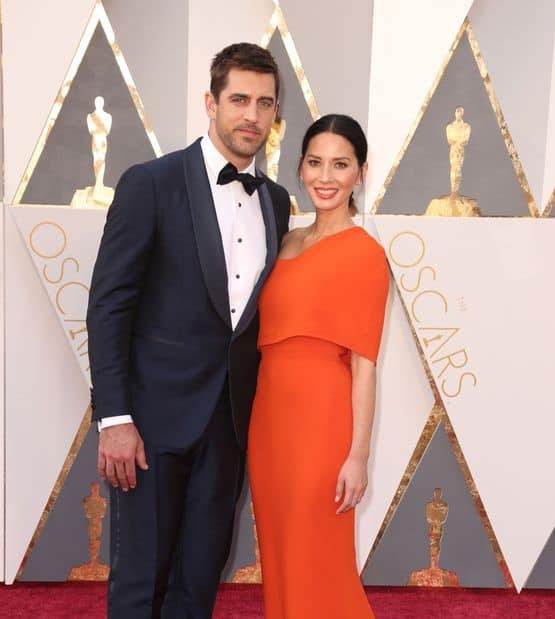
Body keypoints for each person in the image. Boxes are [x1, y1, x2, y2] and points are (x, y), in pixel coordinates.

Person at [86, 43, 290, 619]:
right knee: (139, 582)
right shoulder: (151, 182)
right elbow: (109, 306)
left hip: (227, 429)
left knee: (197, 582)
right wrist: (116, 418)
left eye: (265, 103)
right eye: (240, 100)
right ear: (211, 102)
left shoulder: (276, 203)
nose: (252, 115)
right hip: (148, 428)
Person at [248, 114, 389, 618]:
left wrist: (357, 456)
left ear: (360, 173)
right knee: (282, 556)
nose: (325, 177)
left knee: (318, 558)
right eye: (315, 162)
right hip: (268, 425)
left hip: (322, 428)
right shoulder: (283, 242)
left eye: (340, 164)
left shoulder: (366, 255)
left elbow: (365, 363)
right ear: (301, 168)